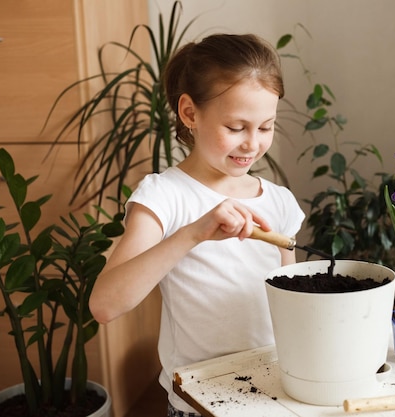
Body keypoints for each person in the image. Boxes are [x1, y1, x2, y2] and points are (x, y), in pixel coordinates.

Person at [89, 33, 305, 416]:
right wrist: (193, 233)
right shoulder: (164, 196)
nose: (252, 144)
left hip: (272, 396)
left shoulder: (279, 201)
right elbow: (105, 305)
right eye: (236, 127)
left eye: (266, 127)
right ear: (189, 113)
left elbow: (290, 311)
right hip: (200, 403)